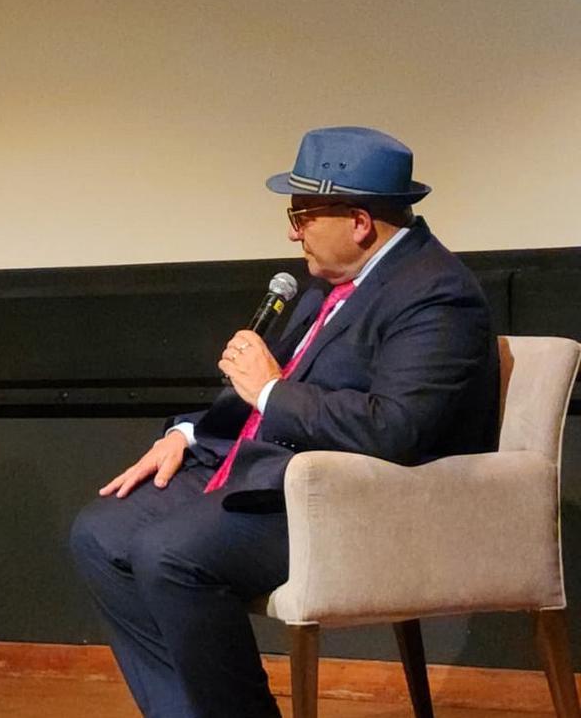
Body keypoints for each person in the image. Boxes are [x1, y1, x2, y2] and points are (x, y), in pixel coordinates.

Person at [69, 126, 500, 717]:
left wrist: (271, 389)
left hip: (354, 503)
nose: (292, 232)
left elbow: (395, 427)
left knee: (171, 553)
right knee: (101, 533)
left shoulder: (435, 295)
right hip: (269, 475)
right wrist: (188, 433)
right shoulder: (331, 283)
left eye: (301, 216)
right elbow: (272, 390)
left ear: (359, 222)